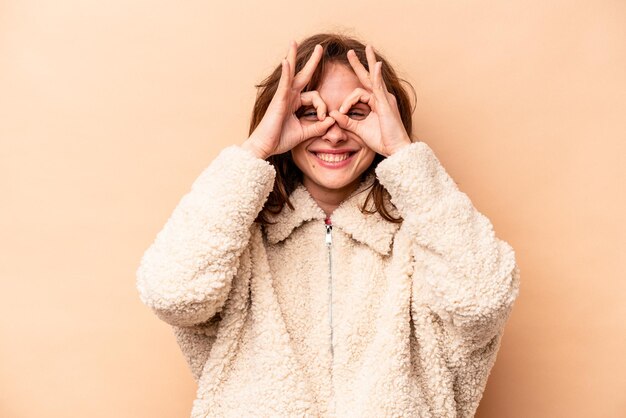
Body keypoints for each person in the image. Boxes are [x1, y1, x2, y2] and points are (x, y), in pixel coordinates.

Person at [135, 33, 520, 417]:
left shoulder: (427, 233)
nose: (334, 133)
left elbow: (481, 303)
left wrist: (404, 154)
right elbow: (174, 294)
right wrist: (256, 149)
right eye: (310, 113)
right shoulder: (234, 235)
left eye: (356, 112)